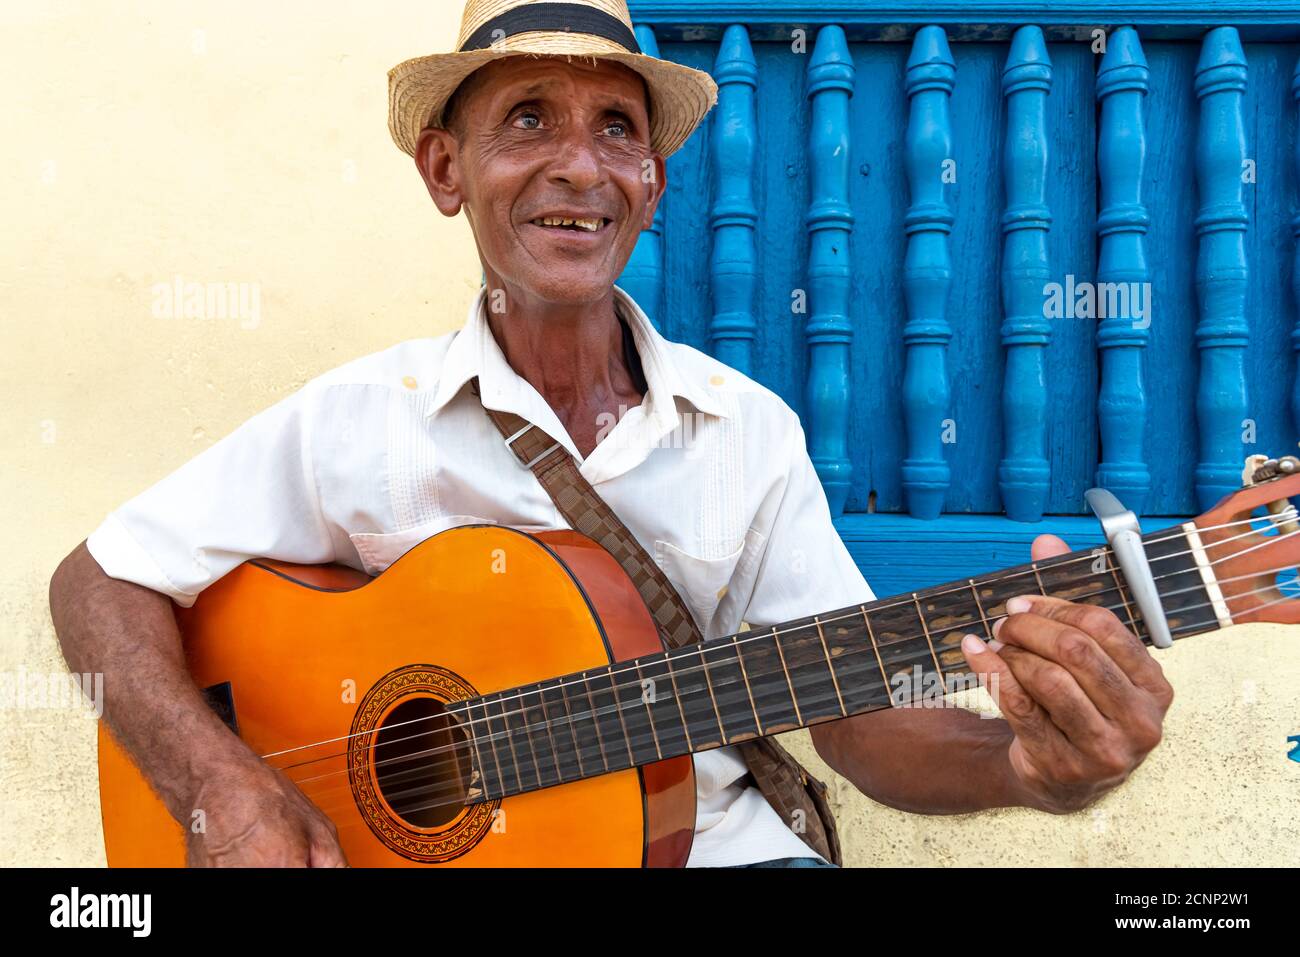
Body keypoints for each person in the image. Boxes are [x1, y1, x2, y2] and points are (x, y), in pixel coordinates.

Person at [49, 0, 1173, 868]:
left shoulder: (747, 434)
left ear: (653, 183)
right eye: (526, 119)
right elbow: (97, 581)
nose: (576, 165)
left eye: (615, 130)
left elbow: (858, 722)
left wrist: (1031, 769)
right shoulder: (358, 420)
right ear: (447, 170)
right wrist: (216, 784)